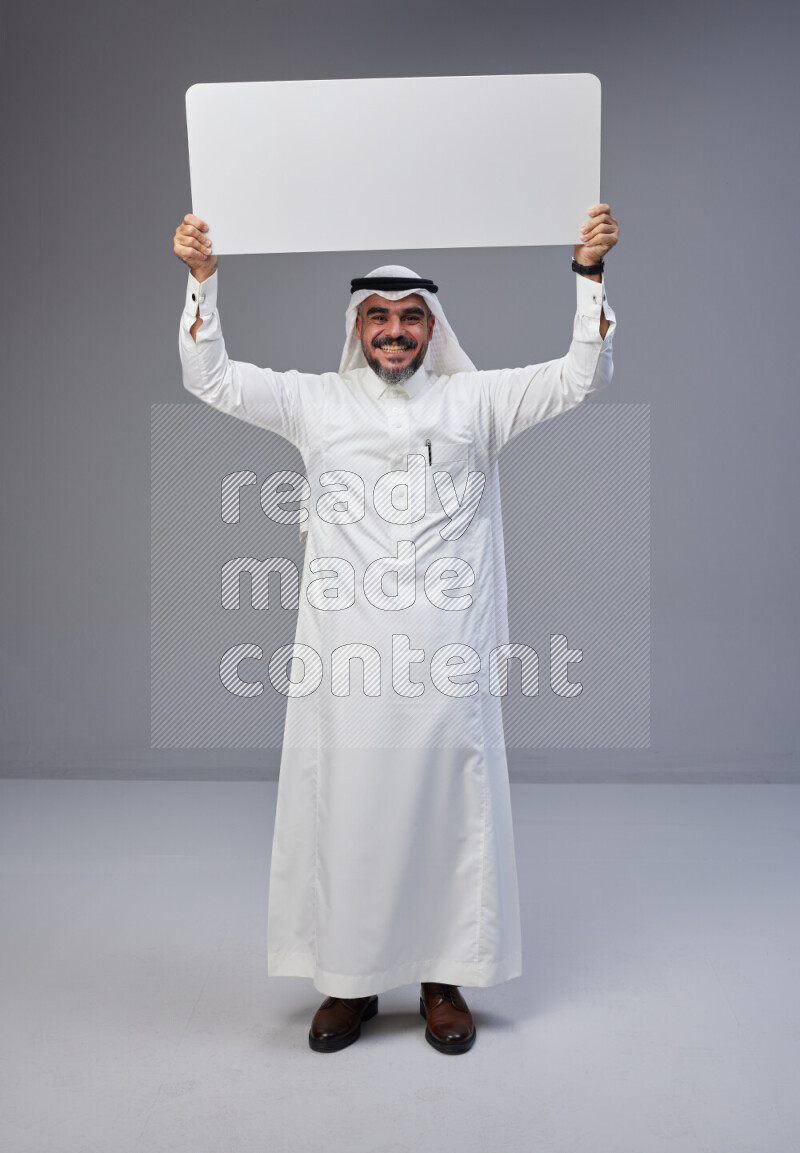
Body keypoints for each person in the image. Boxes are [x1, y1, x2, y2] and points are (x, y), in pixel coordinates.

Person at [173, 206, 619, 1055]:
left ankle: (442, 981)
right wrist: (203, 279)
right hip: (346, 661)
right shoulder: (316, 402)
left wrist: (587, 275)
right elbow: (214, 378)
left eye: (411, 316)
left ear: (432, 326)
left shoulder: (474, 400)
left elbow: (578, 377)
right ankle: (348, 983)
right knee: (348, 811)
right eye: (378, 316)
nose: (394, 330)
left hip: (447, 652)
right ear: (357, 326)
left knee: (450, 813)